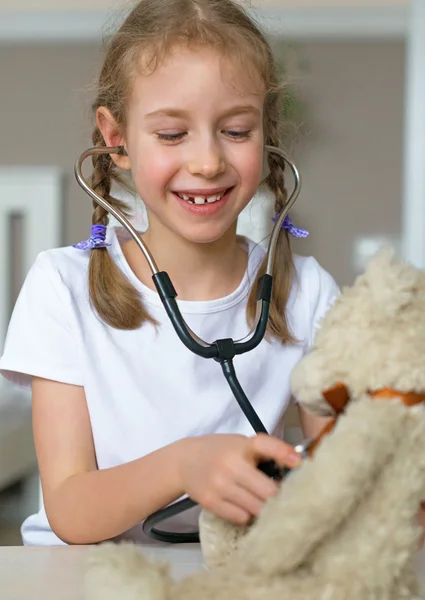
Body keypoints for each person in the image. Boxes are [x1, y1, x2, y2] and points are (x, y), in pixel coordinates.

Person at [0, 0, 340, 546]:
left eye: (234, 130)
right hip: (87, 577)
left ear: (265, 132)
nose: (207, 162)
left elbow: (341, 479)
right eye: (171, 134)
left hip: (236, 574)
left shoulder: (310, 294)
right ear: (116, 141)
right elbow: (70, 508)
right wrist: (185, 466)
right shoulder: (60, 288)